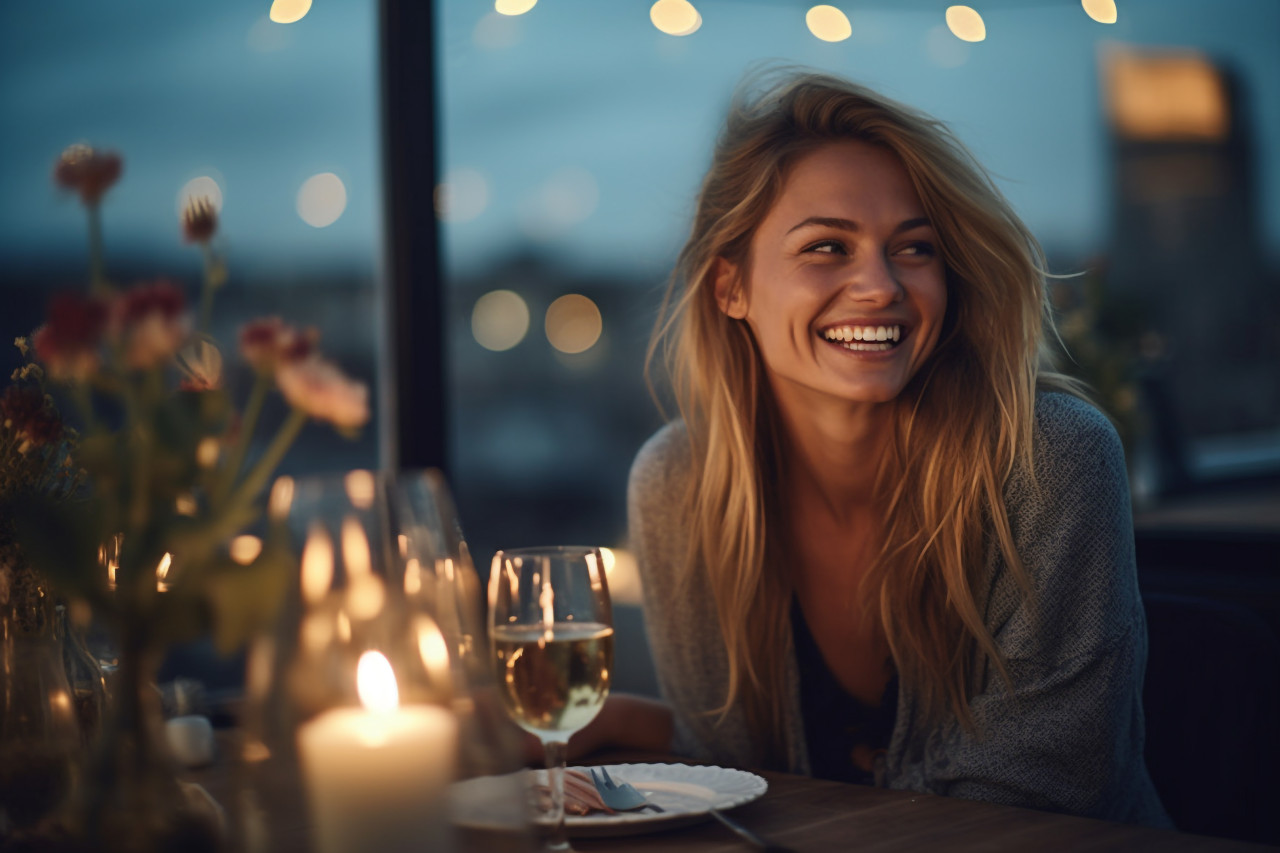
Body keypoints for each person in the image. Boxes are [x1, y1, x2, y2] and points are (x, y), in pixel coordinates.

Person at [575, 70, 1169, 826]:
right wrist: (628, 720)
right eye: (827, 245)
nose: (880, 285)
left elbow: (1032, 797)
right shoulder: (680, 485)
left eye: (914, 249)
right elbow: (733, 773)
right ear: (731, 287)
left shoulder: (1050, 459)